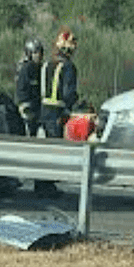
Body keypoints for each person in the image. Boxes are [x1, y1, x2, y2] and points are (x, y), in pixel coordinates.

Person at [34, 29, 79, 196]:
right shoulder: (68, 67)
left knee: (43, 150)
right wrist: (70, 107)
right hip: (57, 112)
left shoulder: (46, 64)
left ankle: (40, 183)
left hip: (43, 110)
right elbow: (69, 93)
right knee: (54, 150)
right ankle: (47, 186)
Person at [15, 38, 45, 137]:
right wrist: (27, 105)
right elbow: (22, 90)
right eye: (36, 52)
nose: (39, 55)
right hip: (28, 108)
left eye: (40, 52)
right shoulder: (26, 68)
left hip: (37, 107)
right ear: (29, 53)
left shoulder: (39, 68)